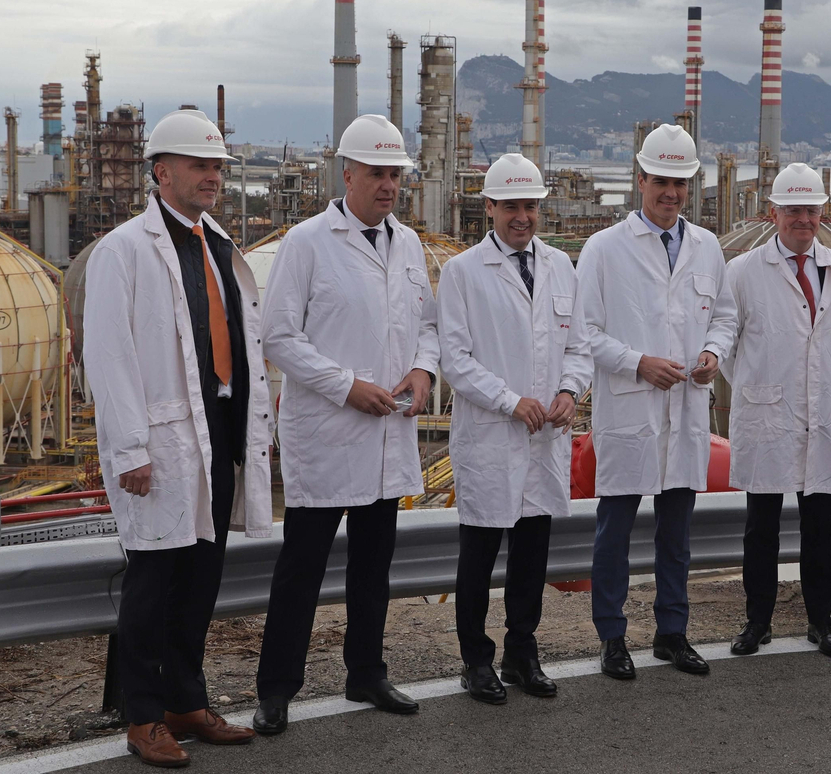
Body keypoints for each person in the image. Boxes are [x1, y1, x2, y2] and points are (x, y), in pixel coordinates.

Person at [85, 108, 273, 767]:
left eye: (218, 166)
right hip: (158, 444)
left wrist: (254, 432)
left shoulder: (216, 242)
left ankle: (185, 700)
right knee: (153, 580)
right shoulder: (125, 250)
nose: (212, 176)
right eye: (199, 165)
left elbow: (241, 346)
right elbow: (108, 356)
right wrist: (130, 448)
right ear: (161, 171)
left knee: (202, 575)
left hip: (216, 433)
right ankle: (143, 715)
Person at [252, 114, 439, 733]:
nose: (388, 185)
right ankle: (277, 689)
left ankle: (367, 672)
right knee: (301, 569)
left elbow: (428, 328)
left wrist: (422, 372)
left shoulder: (408, 244)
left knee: (373, 566)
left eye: (395, 175)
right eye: (377, 173)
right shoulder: (307, 242)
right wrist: (345, 386)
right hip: (328, 435)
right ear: (348, 173)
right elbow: (278, 336)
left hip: (388, 432)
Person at [576, 123, 737, 679]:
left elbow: (725, 316)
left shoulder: (706, 247)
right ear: (639, 179)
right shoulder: (603, 249)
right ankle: (613, 637)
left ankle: (673, 632)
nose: (671, 192)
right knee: (613, 535)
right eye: (661, 181)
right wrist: (637, 362)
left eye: (681, 183)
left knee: (676, 537)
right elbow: (585, 333)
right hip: (630, 410)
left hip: (686, 412)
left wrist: (714, 352)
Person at [436, 154, 592, 704]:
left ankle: (522, 653)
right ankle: (476, 661)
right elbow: (454, 358)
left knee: (531, 557)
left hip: (544, 437)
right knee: (477, 559)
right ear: (490, 208)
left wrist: (571, 390)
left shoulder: (559, 266)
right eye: (511, 206)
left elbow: (579, 345)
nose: (522, 217)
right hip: (492, 438)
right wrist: (510, 402)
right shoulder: (461, 272)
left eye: (530, 206)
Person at [723, 163, 831, 659]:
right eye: (793, 210)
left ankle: (822, 620)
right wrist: (764, 391)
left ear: (821, 212)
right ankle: (757, 620)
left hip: (822, 417)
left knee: (820, 527)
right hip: (768, 419)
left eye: (811, 210)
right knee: (762, 528)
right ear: (773, 212)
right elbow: (730, 350)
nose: (803, 219)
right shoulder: (742, 272)